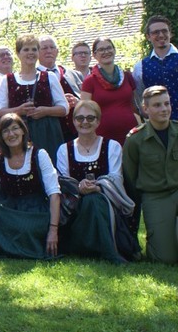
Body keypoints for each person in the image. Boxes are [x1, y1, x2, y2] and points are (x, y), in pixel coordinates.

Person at [56, 101, 139, 263]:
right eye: (80, 118)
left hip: (107, 204)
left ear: (98, 121)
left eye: (90, 118)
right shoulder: (64, 149)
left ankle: (100, 248)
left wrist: (99, 187)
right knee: (90, 200)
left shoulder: (112, 146)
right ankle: (108, 251)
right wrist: (79, 187)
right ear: (73, 121)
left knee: (95, 200)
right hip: (76, 207)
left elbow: (116, 178)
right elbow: (63, 182)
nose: (85, 122)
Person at [0, 113, 61, 259]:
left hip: (35, 208)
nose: (11, 134)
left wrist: (53, 230)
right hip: (9, 207)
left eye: (15, 128)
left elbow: (54, 193)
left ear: (23, 131)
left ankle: (14, 246)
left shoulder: (39, 155)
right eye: (5, 131)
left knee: (26, 227)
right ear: (0, 136)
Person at [123, 86, 178, 263]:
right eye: (157, 105)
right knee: (165, 258)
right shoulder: (135, 139)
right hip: (156, 197)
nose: (164, 109)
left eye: (167, 104)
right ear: (145, 109)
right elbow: (130, 175)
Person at [0, 34, 68, 161]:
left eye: (34, 49)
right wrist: (18, 110)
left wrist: (45, 111)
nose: (31, 53)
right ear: (18, 54)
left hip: (47, 132)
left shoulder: (49, 77)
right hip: (18, 134)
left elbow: (64, 108)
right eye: (26, 49)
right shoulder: (7, 80)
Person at [80, 38, 138, 146]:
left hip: (131, 135)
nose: (106, 52)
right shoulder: (90, 81)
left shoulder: (127, 76)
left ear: (114, 50)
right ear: (94, 55)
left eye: (109, 48)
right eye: (101, 49)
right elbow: (84, 112)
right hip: (103, 137)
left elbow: (135, 106)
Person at [38, 35, 83, 141]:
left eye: (52, 47)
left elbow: (88, 101)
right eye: (44, 48)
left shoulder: (74, 74)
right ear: (37, 52)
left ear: (57, 51)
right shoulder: (33, 77)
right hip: (49, 134)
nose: (49, 51)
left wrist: (77, 101)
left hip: (77, 133)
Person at [133, 15, 178, 119]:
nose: (161, 35)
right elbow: (140, 98)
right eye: (156, 32)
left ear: (170, 33)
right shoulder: (140, 67)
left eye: (164, 31)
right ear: (148, 37)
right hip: (157, 124)